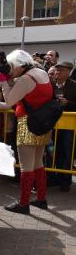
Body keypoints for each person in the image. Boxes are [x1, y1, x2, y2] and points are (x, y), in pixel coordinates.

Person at [2, 50, 54, 214]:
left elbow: (9, 101)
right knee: (38, 164)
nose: (10, 70)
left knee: (26, 167)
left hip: (27, 123)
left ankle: (24, 204)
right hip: (42, 123)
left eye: (11, 66)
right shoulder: (41, 73)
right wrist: (10, 80)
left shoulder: (26, 78)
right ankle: (41, 199)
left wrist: (3, 81)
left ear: (19, 65)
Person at [49, 61, 76, 191]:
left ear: (69, 71)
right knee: (52, 151)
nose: (57, 73)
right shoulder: (50, 85)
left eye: (61, 70)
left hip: (68, 126)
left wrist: (68, 103)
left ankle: (65, 181)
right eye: (57, 70)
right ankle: (53, 178)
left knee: (66, 151)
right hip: (51, 123)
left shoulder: (74, 86)